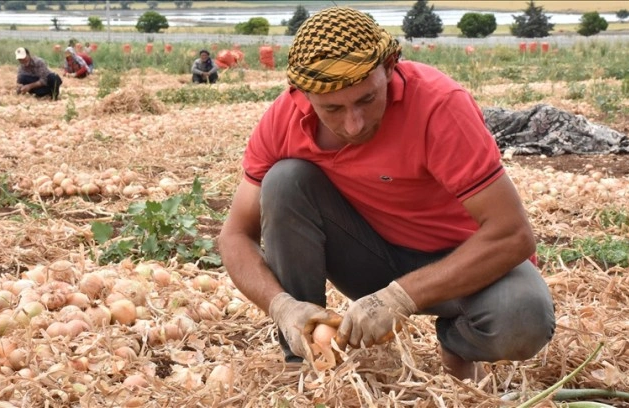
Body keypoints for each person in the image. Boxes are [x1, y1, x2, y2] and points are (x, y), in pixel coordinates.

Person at [217, 7, 555, 381]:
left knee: (523, 317)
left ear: (390, 67)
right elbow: (234, 235)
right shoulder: (282, 121)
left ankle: (457, 343)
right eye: (332, 108)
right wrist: (282, 307)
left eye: (366, 99)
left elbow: (513, 234)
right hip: (370, 257)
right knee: (285, 180)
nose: (353, 123)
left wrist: (400, 298)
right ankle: (305, 353)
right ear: (303, 94)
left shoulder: (438, 105)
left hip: (465, 264)